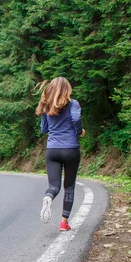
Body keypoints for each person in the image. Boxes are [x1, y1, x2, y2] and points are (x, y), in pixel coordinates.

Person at [35, 77, 85, 231]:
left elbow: (44, 129)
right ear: (66, 89)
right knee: (69, 187)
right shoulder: (73, 104)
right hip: (70, 149)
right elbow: (76, 118)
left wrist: (45, 109)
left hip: (53, 150)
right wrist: (79, 131)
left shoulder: (47, 106)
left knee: (54, 186)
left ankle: (48, 198)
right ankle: (64, 222)